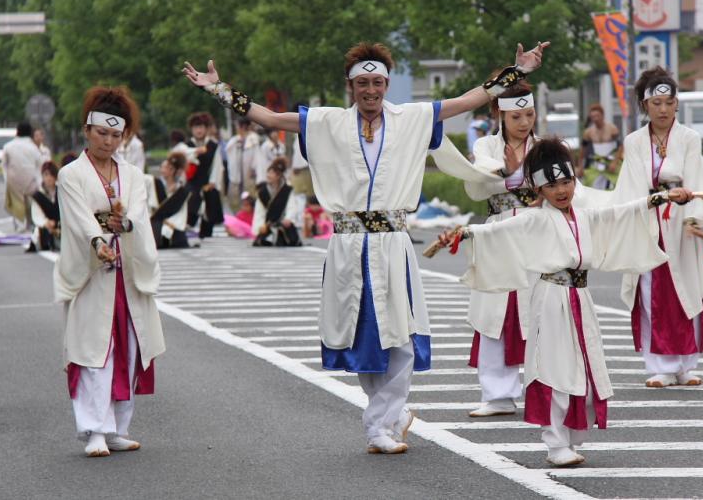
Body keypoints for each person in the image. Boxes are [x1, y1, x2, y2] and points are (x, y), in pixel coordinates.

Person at [184, 39, 548, 454]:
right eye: (363, 84)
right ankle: (388, 416)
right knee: (362, 337)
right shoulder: (327, 123)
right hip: (347, 246)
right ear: (350, 86)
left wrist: (517, 73)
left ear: (387, 83)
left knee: (402, 337)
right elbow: (268, 117)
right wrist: (218, 89)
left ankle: (380, 423)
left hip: (393, 244)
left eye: (378, 82)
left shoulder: (412, 117)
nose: (371, 91)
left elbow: (469, 100)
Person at [439, 137, 696, 466]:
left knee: (583, 371)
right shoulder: (536, 219)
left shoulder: (584, 216)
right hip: (550, 299)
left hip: (580, 298)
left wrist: (661, 197)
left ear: (575, 181)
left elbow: (619, 213)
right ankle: (555, 442)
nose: (561, 191)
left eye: (566, 182)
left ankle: (569, 437)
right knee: (553, 368)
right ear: (539, 189)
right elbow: (498, 232)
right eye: (552, 186)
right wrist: (463, 232)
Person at [612, 66, 703, 388]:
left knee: (686, 290)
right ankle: (660, 364)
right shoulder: (635, 141)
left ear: (677, 104)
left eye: (669, 103)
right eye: (656, 104)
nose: (663, 110)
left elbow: (696, 179)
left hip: (682, 223)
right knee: (653, 291)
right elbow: (632, 185)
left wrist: (697, 219)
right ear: (645, 105)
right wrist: (646, 206)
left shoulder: (689, 138)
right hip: (649, 220)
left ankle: (686, 364)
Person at [54, 86, 165, 457]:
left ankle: (118, 427)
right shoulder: (71, 174)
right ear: (87, 130)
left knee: (129, 348)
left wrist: (126, 226)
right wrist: (98, 243)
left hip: (127, 271)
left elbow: (137, 213)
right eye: (102, 133)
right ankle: (93, 429)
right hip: (93, 271)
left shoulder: (133, 175)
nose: (108, 141)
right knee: (94, 351)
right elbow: (79, 219)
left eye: (116, 135)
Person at [461, 82, 540, 418]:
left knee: (541, 310)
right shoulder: (486, 145)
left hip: (536, 233)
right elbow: (479, 182)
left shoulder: (544, 147)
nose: (524, 122)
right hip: (498, 233)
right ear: (499, 114)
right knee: (494, 311)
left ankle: (544, 389)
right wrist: (507, 173)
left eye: (529, 114)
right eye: (516, 116)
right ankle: (496, 393)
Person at [185, 112, 225, 239]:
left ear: (207, 129)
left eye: (201, 127)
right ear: (191, 129)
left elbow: (217, 166)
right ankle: (187, 229)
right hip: (190, 182)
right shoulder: (187, 146)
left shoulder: (213, 146)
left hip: (207, 182)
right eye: (196, 127)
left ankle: (206, 233)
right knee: (191, 205)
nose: (199, 130)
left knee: (210, 205)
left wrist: (213, 182)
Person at [2, 122, 42, 232]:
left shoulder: (8, 146)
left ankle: (20, 225)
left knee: (17, 203)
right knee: (30, 204)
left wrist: (7, 179)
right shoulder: (33, 148)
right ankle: (30, 224)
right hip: (30, 181)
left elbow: (4, 164)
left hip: (13, 179)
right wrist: (39, 182)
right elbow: (39, 165)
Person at [251, 157, 301, 246]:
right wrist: (260, 226)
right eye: (268, 172)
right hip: (268, 225)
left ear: (279, 175)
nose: (268, 175)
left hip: (283, 224)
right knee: (263, 241)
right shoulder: (263, 192)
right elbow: (259, 212)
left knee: (288, 238)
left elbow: (292, 207)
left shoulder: (287, 190)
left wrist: (288, 218)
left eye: (272, 173)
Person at [146, 151, 190, 248]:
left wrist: (169, 223)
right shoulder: (156, 185)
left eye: (168, 168)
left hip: (172, 225)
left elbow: (181, 214)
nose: (164, 170)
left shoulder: (181, 191)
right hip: (159, 222)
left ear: (175, 170)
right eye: (163, 167)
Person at [577, 104, 621, 190]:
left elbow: (621, 146)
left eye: (597, 116)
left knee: (617, 184)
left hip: (612, 161)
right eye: (593, 116)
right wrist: (580, 166)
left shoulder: (612, 128)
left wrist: (615, 162)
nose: (595, 118)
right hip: (596, 162)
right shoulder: (588, 132)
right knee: (590, 182)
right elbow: (583, 150)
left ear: (602, 115)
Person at [225, 117, 259, 212]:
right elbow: (228, 153)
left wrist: (253, 169)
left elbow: (256, 157)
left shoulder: (253, 139)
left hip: (249, 176)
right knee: (235, 202)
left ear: (243, 126)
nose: (236, 128)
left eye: (237, 126)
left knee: (250, 200)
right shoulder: (234, 140)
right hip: (236, 177)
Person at [29, 161, 61, 252]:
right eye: (46, 175)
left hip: (61, 225)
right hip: (46, 227)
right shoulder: (38, 195)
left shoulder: (61, 191)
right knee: (40, 232)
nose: (49, 178)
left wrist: (57, 223)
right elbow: (37, 215)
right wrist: (46, 223)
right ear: (42, 177)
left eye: (51, 175)